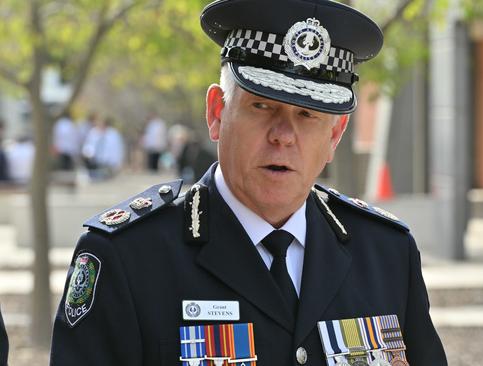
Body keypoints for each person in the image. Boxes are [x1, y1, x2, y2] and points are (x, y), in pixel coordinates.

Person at [50, 1, 447, 365]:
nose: (283, 135)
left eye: (308, 116)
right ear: (216, 112)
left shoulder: (386, 254)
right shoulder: (128, 257)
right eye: (262, 106)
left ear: (335, 135)